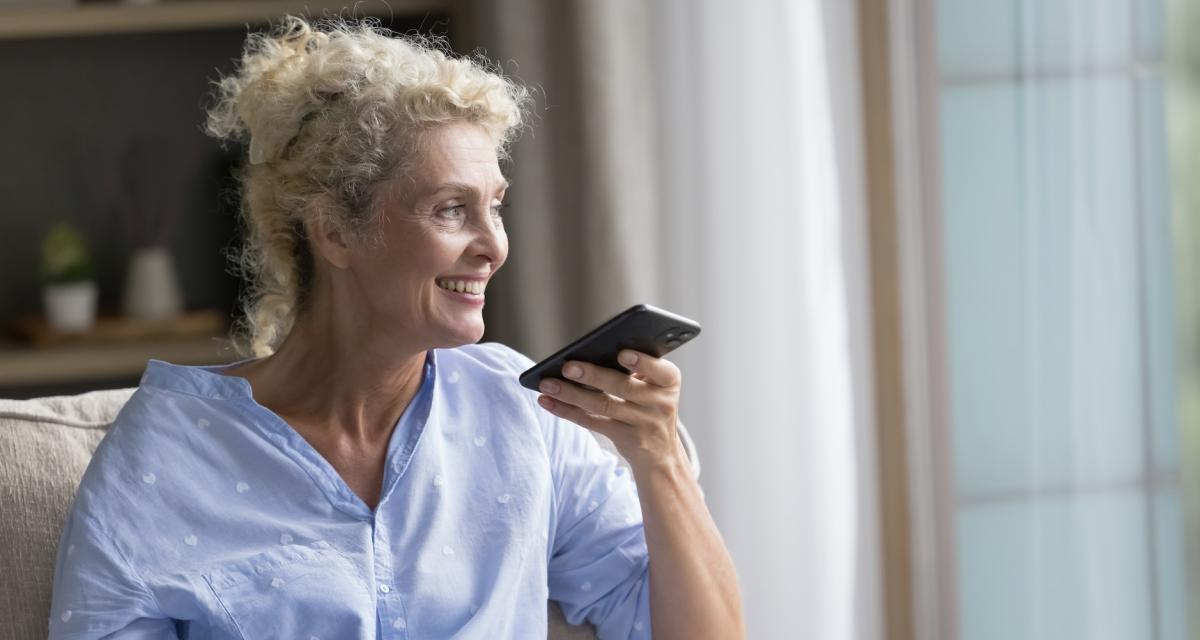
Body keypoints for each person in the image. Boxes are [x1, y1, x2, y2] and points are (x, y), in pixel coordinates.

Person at [49, 17, 744, 639]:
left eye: (495, 207)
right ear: (335, 232)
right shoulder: (166, 455)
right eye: (450, 209)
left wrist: (661, 462)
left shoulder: (524, 415)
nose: (494, 246)